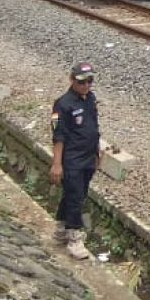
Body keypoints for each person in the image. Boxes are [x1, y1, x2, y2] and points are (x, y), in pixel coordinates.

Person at [50, 61, 102, 260]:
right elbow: (58, 136)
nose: (86, 85)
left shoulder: (90, 99)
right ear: (72, 80)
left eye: (90, 81)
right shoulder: (63, 104)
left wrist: (97, 153)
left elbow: (93, 128)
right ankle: (74, 236)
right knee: (76, 196)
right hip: (72, 159)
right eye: (82, 82)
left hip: (88, 157)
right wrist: (57, 164)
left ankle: (62, 228)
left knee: (76, 194)